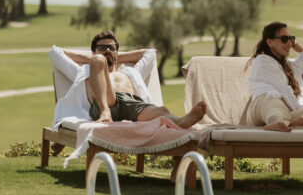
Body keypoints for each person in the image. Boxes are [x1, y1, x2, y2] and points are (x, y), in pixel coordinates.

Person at [50, 30, 207, 127]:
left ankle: (180, 122)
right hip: (105, 104)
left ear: (117, 52)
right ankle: (105, 114)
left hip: (131, 105)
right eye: (102, 47)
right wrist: (97, 57)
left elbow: (150, 54)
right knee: (98, 62)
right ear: (93, 51)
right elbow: (55, 52)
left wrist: (114, 56)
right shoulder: (84, 71)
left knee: (162, 110)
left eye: (111, 48)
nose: (107, 50)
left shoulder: (132, 72)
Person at [243, 21, 303, 132]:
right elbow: (283, 90)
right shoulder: (263, 61)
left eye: (291, 39)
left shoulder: (291, 66)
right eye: (284, 39)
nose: (289, 43)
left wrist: (292, 43)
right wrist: (302, 110)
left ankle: (286, 125)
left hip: (288, 114)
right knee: (273, 102)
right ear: (270, 42)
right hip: (262, 108)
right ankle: (274, 122)